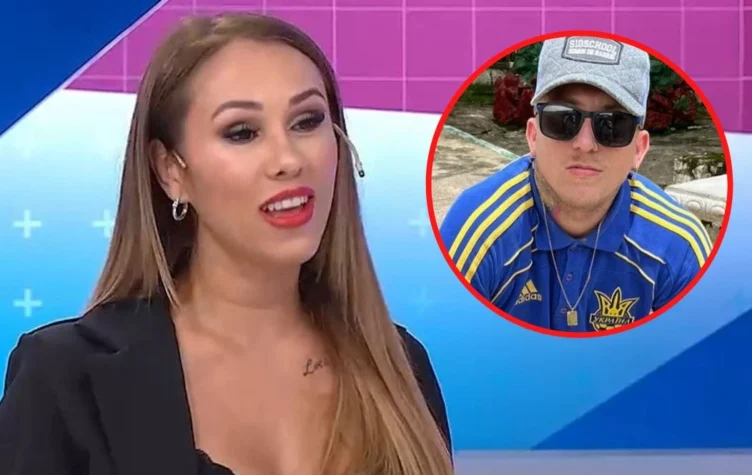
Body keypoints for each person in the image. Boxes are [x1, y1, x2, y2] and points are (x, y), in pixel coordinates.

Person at [0, 13, 453, 475]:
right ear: (170, 170)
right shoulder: (65, 379)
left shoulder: (401, 368)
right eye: (242, 132)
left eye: (307, 121)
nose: (288, 159)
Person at [440, 36, 713, 332]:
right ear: (533, 136)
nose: (585, 144)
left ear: (639, 149)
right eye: (562, 119)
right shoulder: (479, 232)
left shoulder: (677, 247)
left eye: (613, 125)